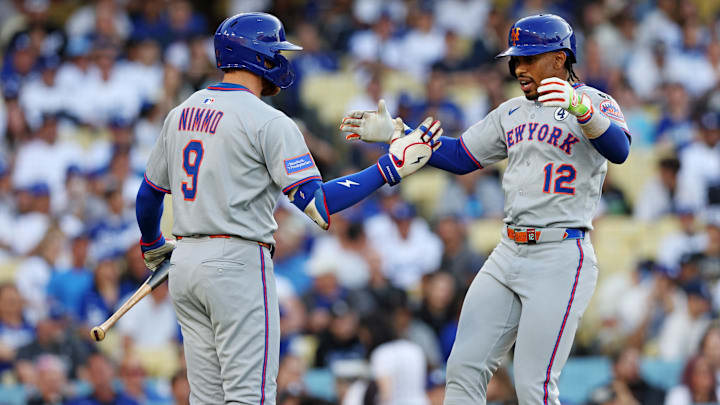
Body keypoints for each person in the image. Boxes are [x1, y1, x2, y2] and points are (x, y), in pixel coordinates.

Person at [134, 12, 441, 405]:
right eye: (276, 51)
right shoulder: (268, 120)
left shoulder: (181, 112)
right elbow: (319, 205)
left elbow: (148, 196)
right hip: (237, 260)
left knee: (205, 399)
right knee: (251, 397)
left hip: (186, 263)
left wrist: (152, 244)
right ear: (257, 56)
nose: (282, 59)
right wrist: (389, 167)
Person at [340, 14, 631, 405]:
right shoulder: (510, 111)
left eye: (529, 58)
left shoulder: (595, 102)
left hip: (560, 252)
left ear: (560, 59)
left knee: (535, 386)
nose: (519, 68)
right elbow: (461, 156)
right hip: (508, 249)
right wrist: (398, 133)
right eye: (516, 60)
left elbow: (620, 150)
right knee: (462, 369)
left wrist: (581, 107)